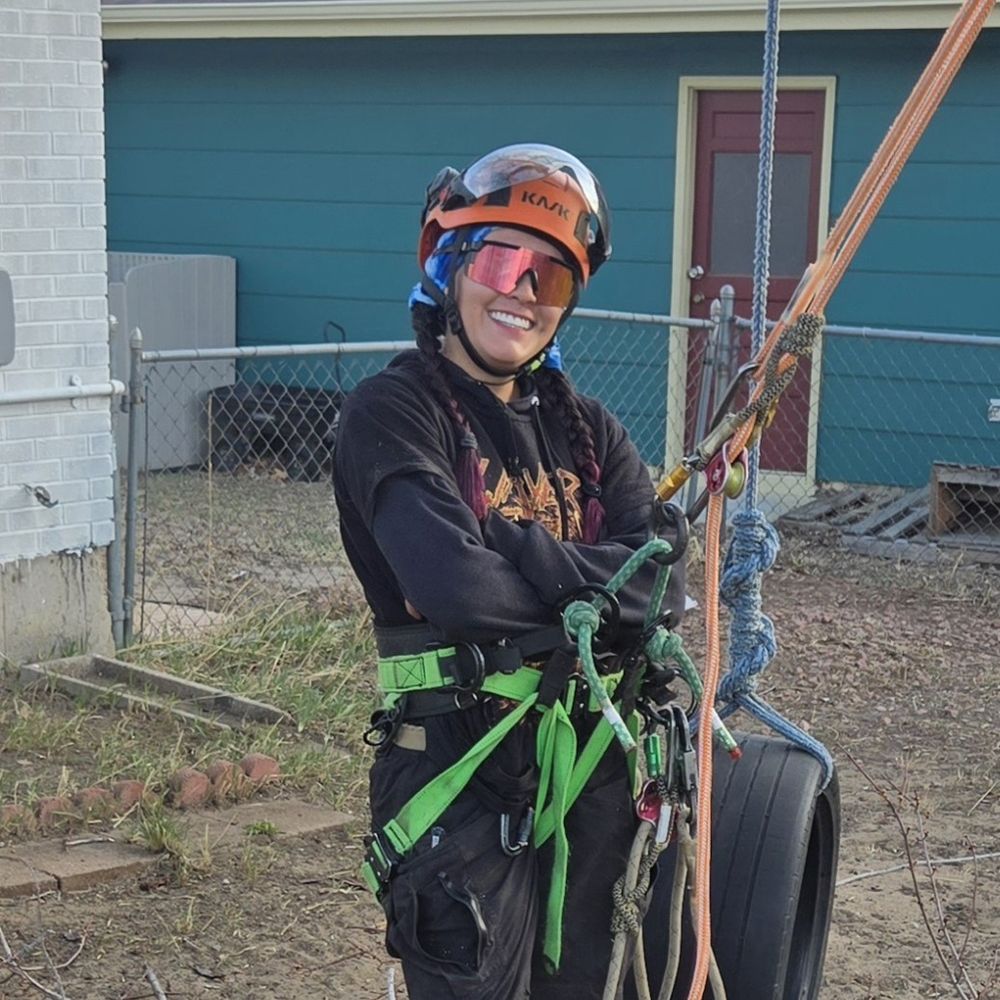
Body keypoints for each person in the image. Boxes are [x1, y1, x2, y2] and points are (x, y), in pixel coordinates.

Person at [332, 143, 687, 1000]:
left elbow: (664, 585)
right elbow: (453, 589)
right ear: (452, 266)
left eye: (551, 279)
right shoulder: (393, 412)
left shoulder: (590, 432)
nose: (523, 291)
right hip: (455, 773)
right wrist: (598, 583)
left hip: (598, 760)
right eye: (502, 258)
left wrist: (513, 543)